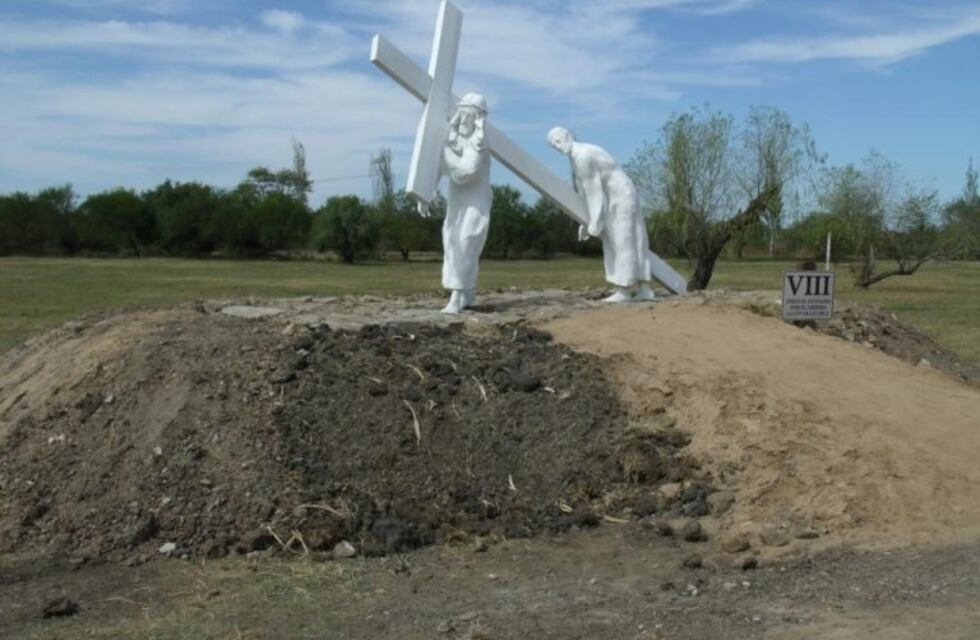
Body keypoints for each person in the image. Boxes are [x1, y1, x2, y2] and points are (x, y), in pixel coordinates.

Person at [547, 126, 654, 302]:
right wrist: (585, 220)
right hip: (623, 194)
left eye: (558, 141)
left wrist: (595, 223)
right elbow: (582, 190)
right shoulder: (578, 155)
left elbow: (593, 191)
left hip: (619, 196)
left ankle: (624, 290)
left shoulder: (581, 155)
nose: (558, 147)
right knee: (635, 239)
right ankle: (644, 289)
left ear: (567, 136)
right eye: (553, 146)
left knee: (621, 240)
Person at [421, 93, 493, 314]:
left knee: (466, 241)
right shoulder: (453, 140)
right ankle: (466, 292)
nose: (463, 120)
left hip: (476, 201)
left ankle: (457, 295)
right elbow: (437, 167)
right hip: (457, 202)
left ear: (478, 119)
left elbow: (466, 172)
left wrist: (444, 153)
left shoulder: (479, 144)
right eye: (461, 115)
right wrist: (426, 193)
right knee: (452, 242)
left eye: (468, 116)